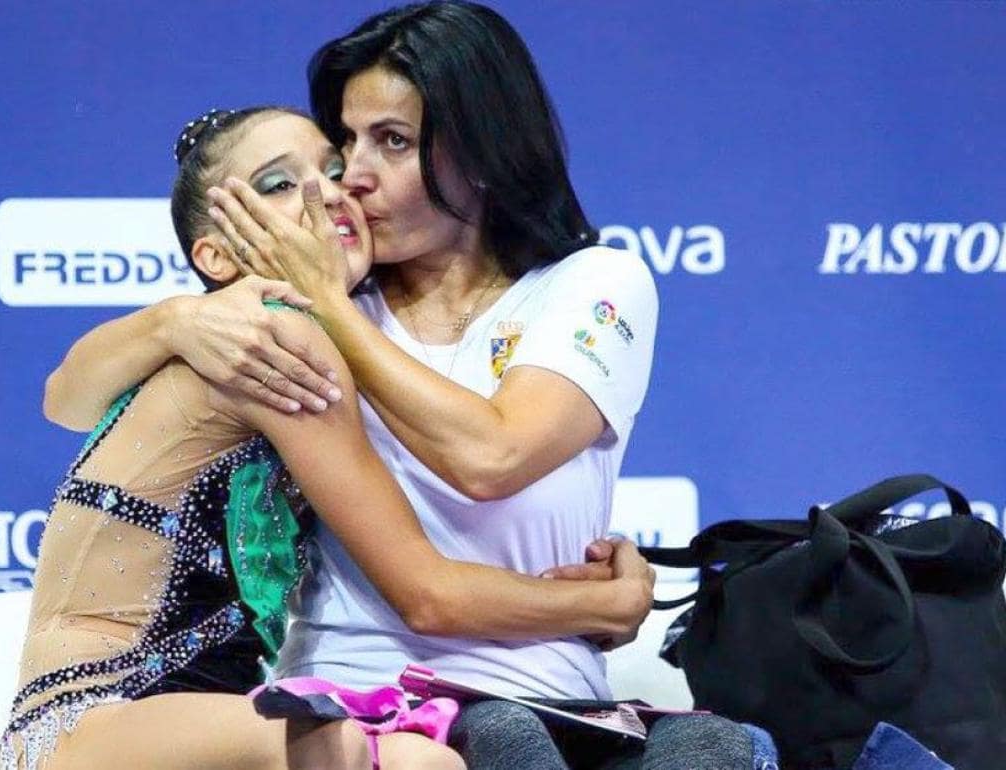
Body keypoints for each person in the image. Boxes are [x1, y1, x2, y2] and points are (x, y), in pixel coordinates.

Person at [44, 3, 753, 767]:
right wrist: (173, 319)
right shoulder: (320, 308)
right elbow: (68, 399)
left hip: (562, 694)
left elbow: (496, 450)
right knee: (498, 740)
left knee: (714, 747)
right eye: (348, 143)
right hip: (371, 699)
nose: (353, 180)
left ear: (484, 150)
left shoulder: (592, 283)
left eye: (393, 142)